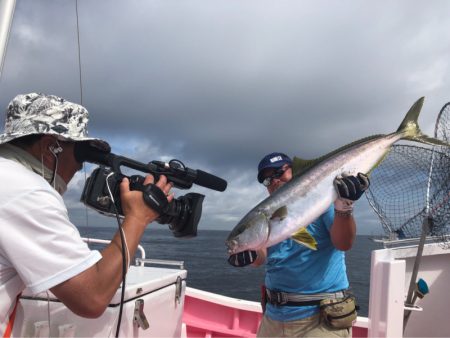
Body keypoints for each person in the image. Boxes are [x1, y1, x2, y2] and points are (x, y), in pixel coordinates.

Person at [0, 93, 173, 336]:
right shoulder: (26, 191)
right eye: (79, 159)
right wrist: (138, 217)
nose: (74, 174)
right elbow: (92, 298)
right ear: (51, 148)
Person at [228, 152, 369, 337]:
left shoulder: (322, 203)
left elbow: (344, 243)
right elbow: (260, 257)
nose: (274, 181)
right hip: (274, 317)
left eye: (279, 173)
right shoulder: (267, 215)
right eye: (267, 180)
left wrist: (344, 208)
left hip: (320, 318)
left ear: (293, 172)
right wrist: (248, 254)